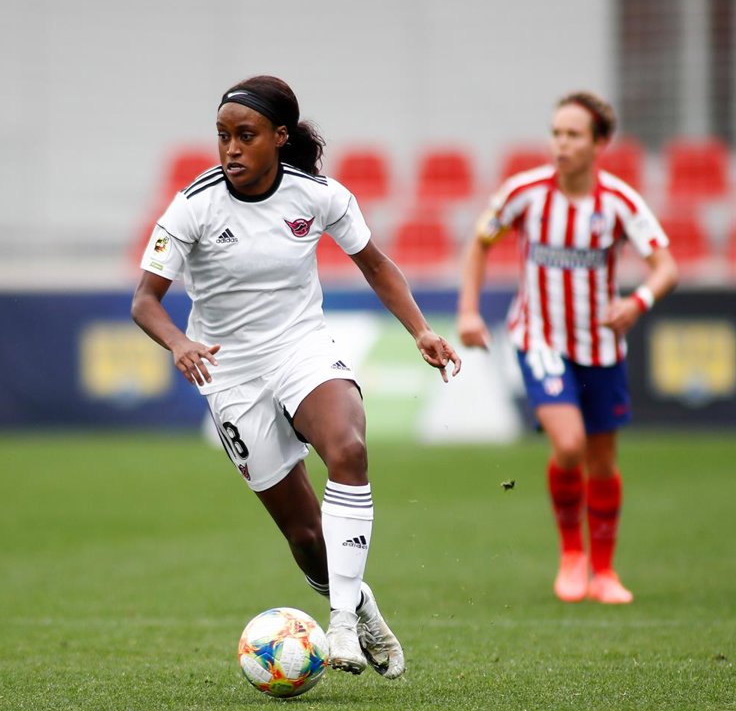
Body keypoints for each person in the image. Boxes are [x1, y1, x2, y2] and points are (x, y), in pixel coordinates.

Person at [132, 75, 461, 678]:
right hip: (229, 372)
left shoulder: (319, 195)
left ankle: (341, 626)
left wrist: (420, 330)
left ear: (280, 137)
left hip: (301, 348)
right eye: (223, 136)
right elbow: (145, 301)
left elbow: (376, 265)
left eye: (246, 135)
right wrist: (179, 342)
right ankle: (361, 604)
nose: (231, 149)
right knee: (306, 536)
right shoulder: (194, 205)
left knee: (349, 449)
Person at [457, 91, 678, 604]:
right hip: (540, 339)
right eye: (556, 133)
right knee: (571, 445)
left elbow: (666, 267)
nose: (561, 144)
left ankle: (604, 571)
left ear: (599, 143)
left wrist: (638, 302)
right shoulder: (524, 193)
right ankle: (572, 556)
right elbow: (480, 242)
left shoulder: (620, 202)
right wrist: (468, 310)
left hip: (601, 346)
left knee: (602, 460)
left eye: (573, 135)